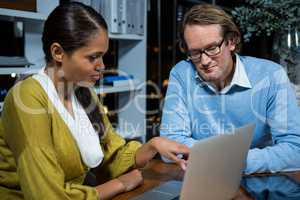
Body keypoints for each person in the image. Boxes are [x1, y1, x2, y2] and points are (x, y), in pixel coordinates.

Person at [0, 2, 189, 200]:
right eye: (93, 57)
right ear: (58, 52)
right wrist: (119, 184)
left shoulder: (83, 92)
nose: (102, 66)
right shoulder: (28, 97)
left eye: (103, 56)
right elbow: (47, 195)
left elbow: (112, 157)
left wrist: (153, 145)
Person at [160, 4, 300, 175]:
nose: (204, 61)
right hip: (202, 177)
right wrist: (226, 159)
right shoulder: (181, 73)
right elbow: (170, 146)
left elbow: (294, 151)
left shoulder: (271, 75)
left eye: (212, 48)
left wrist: (231, 161)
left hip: (260, 181)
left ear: (231, 41)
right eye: (195, 52)